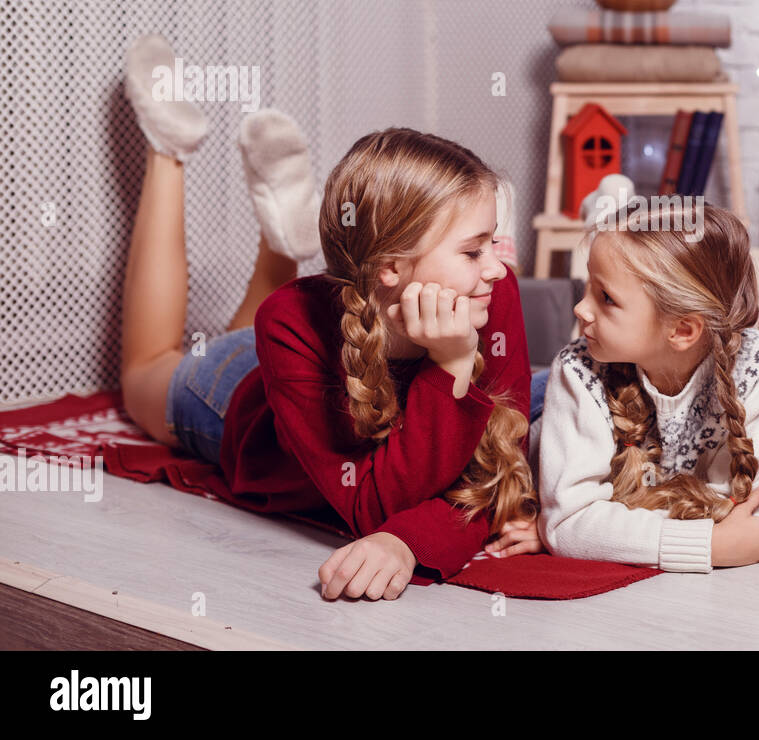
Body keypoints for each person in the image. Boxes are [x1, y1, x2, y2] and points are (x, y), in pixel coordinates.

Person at [117, 34, 539, 602]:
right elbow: (374, 506)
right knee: (146, 367)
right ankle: (168, 149)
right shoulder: (288, 322)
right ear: (391, 266)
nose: (497, 268)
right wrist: (453, 364)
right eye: (472, 251)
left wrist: (410, 539)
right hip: (240, 392)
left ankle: (280, 237)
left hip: (317, 330)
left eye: (494, 244)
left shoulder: (492, 292)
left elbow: (495, 470)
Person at [521, 200, 759, 571]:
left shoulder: (757, 365)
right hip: (537, 405)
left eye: (606, 298)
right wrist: (708, 546)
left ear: (683, 330)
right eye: (588, 286)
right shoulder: (577, 370)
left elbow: (737, 511)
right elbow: (567, 524)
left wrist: (603, 529)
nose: (580, 309)